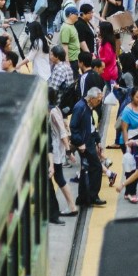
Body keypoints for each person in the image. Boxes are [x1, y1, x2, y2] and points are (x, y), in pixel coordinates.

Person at [71, 88, 106, 207]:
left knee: (86, 169)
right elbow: (73, 127)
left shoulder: (88, 107)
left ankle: (83, 198)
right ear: (91, 98)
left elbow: (91, 125)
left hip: (89, 141)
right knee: (95, 168)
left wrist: (97, 140)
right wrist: (79, 142)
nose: (99, 102)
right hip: (84, 144)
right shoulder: (80, 107)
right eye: (98, 100)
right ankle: (92, 196)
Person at [47, 88, 78, 222]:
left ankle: (72, 207)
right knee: (58, 178)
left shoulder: (53, 111)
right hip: (56, 147)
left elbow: (62, 131)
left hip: (55, 149)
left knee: (58, 177)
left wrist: (67, 150)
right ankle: (71, 206)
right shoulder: (55, 109)